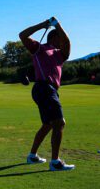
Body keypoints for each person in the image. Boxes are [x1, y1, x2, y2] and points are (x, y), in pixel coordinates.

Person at [19, 17, 74, 171]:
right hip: (44, 88)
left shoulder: (61, 54)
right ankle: (55, 162)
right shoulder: (39, 48)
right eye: (60, 37)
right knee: (59, 122)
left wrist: (58, 25)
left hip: (49, 90)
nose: (63, 40)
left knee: (48, 125)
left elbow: (67, 41)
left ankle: (32, 156)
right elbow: (22, 35)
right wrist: (43, 25)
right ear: (53, 38)